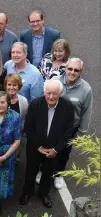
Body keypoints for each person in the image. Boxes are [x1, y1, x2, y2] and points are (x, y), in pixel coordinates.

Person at [20, 80, 75, 208]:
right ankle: (27, 192)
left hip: (54, 149)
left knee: (48, 172)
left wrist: (56, 150)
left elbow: (68, 131)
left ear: (60, 93)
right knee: (30, 170)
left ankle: (44, 194)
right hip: (35, 147)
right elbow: (29, 127)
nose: (51, 97)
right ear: (44, 92)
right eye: (48, 93)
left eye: (54, 94)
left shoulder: (67, 107)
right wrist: (39, 147)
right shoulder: (35, 104)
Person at [52, 58, 93, 190]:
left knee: (64, 152)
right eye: (70, 69)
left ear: (81, 72)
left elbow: (87, 111)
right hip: (52, 124)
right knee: (47, 147)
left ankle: (58, 175)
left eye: (76, 70)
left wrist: (82, 132)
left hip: (70, 128)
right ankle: (43, 170)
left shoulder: (86, 89)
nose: (72, 72)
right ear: (65, 68)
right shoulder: (55, 81)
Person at [2, 73, 29, 162]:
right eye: (9, 84)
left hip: (16, 140)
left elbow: (24, 119)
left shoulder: (23, 101)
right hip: (0, 139)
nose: (11, 87)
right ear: (5, 85)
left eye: (14, 85)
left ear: (19, 86)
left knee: (14, 163)